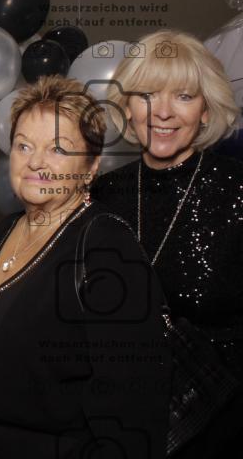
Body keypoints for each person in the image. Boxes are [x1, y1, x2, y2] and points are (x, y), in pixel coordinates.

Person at [0, 76, 171, 459]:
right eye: (23, 146)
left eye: (58, 149)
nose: (35, 161)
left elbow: (134, 413)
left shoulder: (106, 248)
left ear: (90, 167)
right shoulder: (5, 231)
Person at [92, 29, 243, 458]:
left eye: (183, 96)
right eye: (146, 95)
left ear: (206, 110)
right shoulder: (102, 195)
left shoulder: (236, 190)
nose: (162, 112)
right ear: (127, 107)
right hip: (127, 420)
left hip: (224, 422)